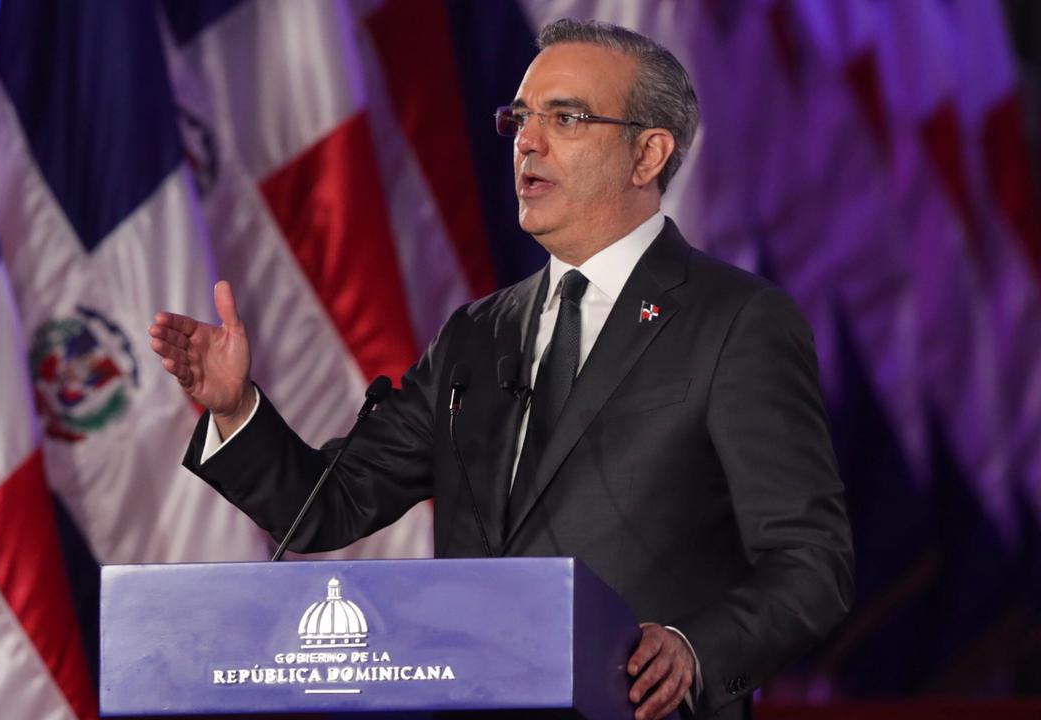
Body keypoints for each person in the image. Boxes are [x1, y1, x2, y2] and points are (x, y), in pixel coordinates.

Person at [150, 18, 853, 720]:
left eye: (566, 119)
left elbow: (811, 564)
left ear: (647, 155)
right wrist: (235, 408)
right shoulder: (477, 335)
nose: (527, 141)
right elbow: (326, 507)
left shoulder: (735, 321)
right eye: (520, 118)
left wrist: (695, 652)